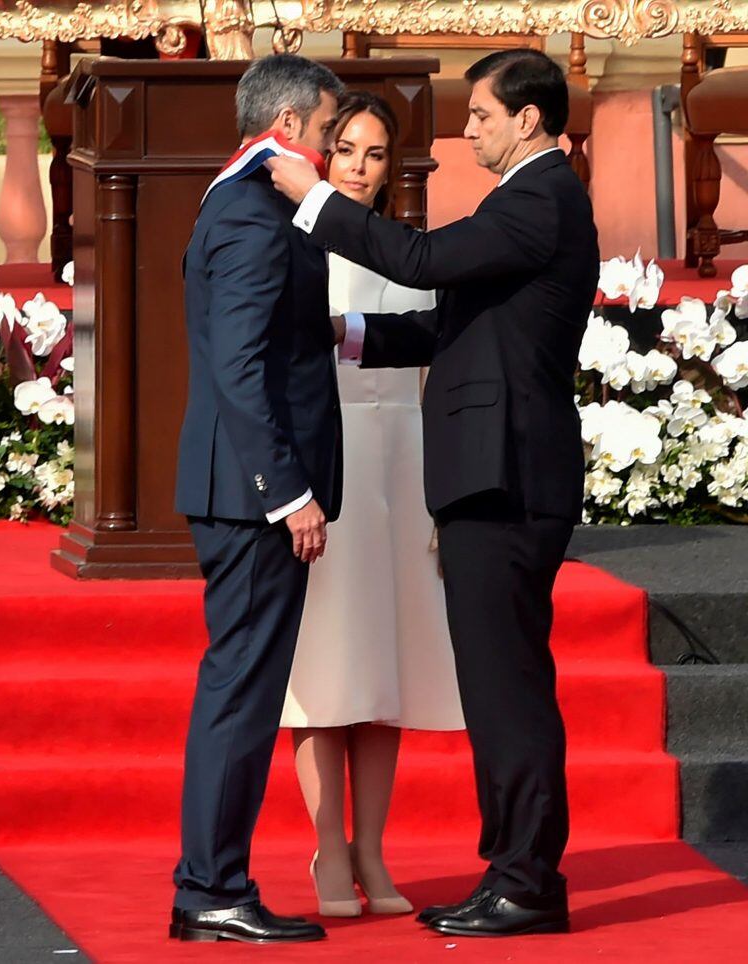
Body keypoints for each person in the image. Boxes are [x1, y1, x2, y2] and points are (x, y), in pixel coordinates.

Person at [269, 49, 600, 938]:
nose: (469, 130)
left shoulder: (538, 197)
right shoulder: (530, 198)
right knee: (501, 686)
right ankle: (514, 871)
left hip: (507, 475)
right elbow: (447, 324)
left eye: (483, 115)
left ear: (528, 120)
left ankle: (526, 881)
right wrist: (342, 334)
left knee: (509, 688)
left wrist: (312, 196)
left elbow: (417, 259)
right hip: (492, 474)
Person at [170, 54, 345, 945]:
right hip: (251, 496)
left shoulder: (236, 203)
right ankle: (212, 889)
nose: (330, 150)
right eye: (324, 134)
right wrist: (290, 494)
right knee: (241, 693)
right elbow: (240, 371)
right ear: (286, 130)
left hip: (241, 489)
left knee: (240, 687)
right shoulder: (250, 214)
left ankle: (213, 882)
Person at [279, 91, 464, 919]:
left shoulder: (413, 251)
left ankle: (372, 851)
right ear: (323, 156)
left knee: (388, 667)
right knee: (329, 665)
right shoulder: (293, 244)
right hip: (328, 463)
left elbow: (433, 364)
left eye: (375, 153)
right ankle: (325, 849)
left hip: (403, 464)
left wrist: (435, 498)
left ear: (395, 166)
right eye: (346, 148)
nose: (359, 165)